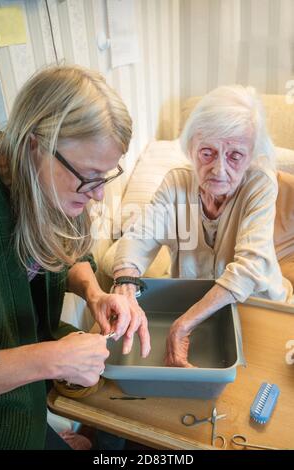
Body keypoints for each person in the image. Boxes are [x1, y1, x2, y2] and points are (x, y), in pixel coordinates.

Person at [0, 65, 150, 450]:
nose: (97, 195)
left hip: (28, 407)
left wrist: (94, 294)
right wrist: (52, 359)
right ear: (36, 145)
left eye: (105, 176)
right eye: (89, 176)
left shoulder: (41, 179)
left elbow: (65, 254)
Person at [105, 85, 293, 368]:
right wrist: (126, 281)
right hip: (196, 307)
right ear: (190, 147)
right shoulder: (176, 183)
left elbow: (250, 265)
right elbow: (140, 236)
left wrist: (183, 325)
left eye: (234, 156)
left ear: (252, 155)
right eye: (207, 152)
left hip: (260, 308)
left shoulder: (259, 183)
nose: (219, 169)